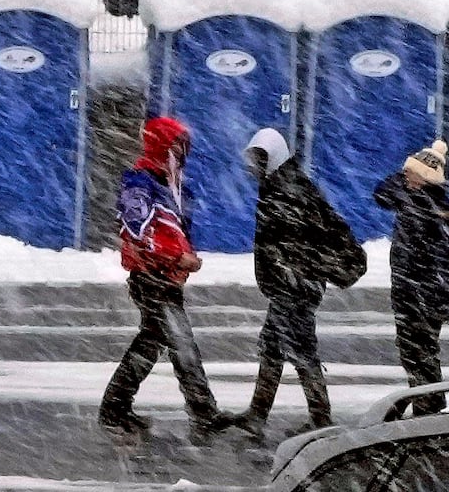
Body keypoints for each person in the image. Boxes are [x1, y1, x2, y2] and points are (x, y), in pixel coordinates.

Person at [100, 111, 225, 438]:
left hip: (167, 278)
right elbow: (137, 232)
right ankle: (204, 414)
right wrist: (177, 257)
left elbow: (178, 229)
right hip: (151, 277)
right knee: (182, 345)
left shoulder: (174, 186)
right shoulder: (140, 183)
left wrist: (184, 258)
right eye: (176, 145)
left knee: (150, 343)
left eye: (184, 146)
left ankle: (114, 408)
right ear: (162, 146)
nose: (182, 153)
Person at [245, 124, 365, 433]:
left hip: (295, 287)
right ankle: (257, 415)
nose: (254, 167)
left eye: (260, 159)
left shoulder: (289, 192)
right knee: (272, 347)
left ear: (272, 159)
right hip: (289, 285)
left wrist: (290, 269)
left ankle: (321, 419)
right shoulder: (282, 185)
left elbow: (302, 240)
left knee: (302, 351)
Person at [373, 139, 449, 384]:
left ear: (425, 177)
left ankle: (430, 409)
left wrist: (440, 298)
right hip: (408, 293)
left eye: (410, 172)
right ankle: (426, 407)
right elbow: (381, 194)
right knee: (412, 356)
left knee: (422, 358)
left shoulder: (437, 208)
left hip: (423, 296)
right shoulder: (412, 199)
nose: (405, 176)